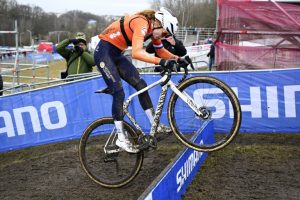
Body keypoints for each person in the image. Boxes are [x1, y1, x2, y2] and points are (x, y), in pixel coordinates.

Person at [94, 7, 188, 153]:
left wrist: (178, 58)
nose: (163, 36)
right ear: (158, 23)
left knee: (141, 84)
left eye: (166, 34)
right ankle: (121, 138)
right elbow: (137, 53)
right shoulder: (141, 23)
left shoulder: (153, 29)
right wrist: (161, 62)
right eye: (164, 32)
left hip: (117, 54)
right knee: (119, 92)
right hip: (104, 53)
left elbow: (161, 51)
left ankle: (153, 124)